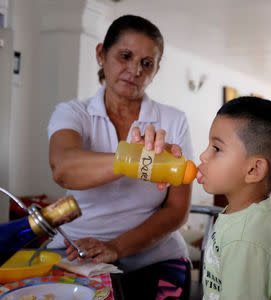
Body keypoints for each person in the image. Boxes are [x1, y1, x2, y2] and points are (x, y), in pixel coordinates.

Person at [47, 15, 192, 299]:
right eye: (125, 56)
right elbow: (63, 167)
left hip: (156, 256)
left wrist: (116, 247)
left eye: (146, 63)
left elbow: (177, 210)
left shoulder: (173, 120)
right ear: (101, 54)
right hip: (78, 252)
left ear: (156, 69)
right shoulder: (73, 113)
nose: (135, 70)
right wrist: (133, 160)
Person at [197, 96, 271, 299]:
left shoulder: (245, 240)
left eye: (216, 148)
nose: (203, 156)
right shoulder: (250, 213)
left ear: (254, 169)